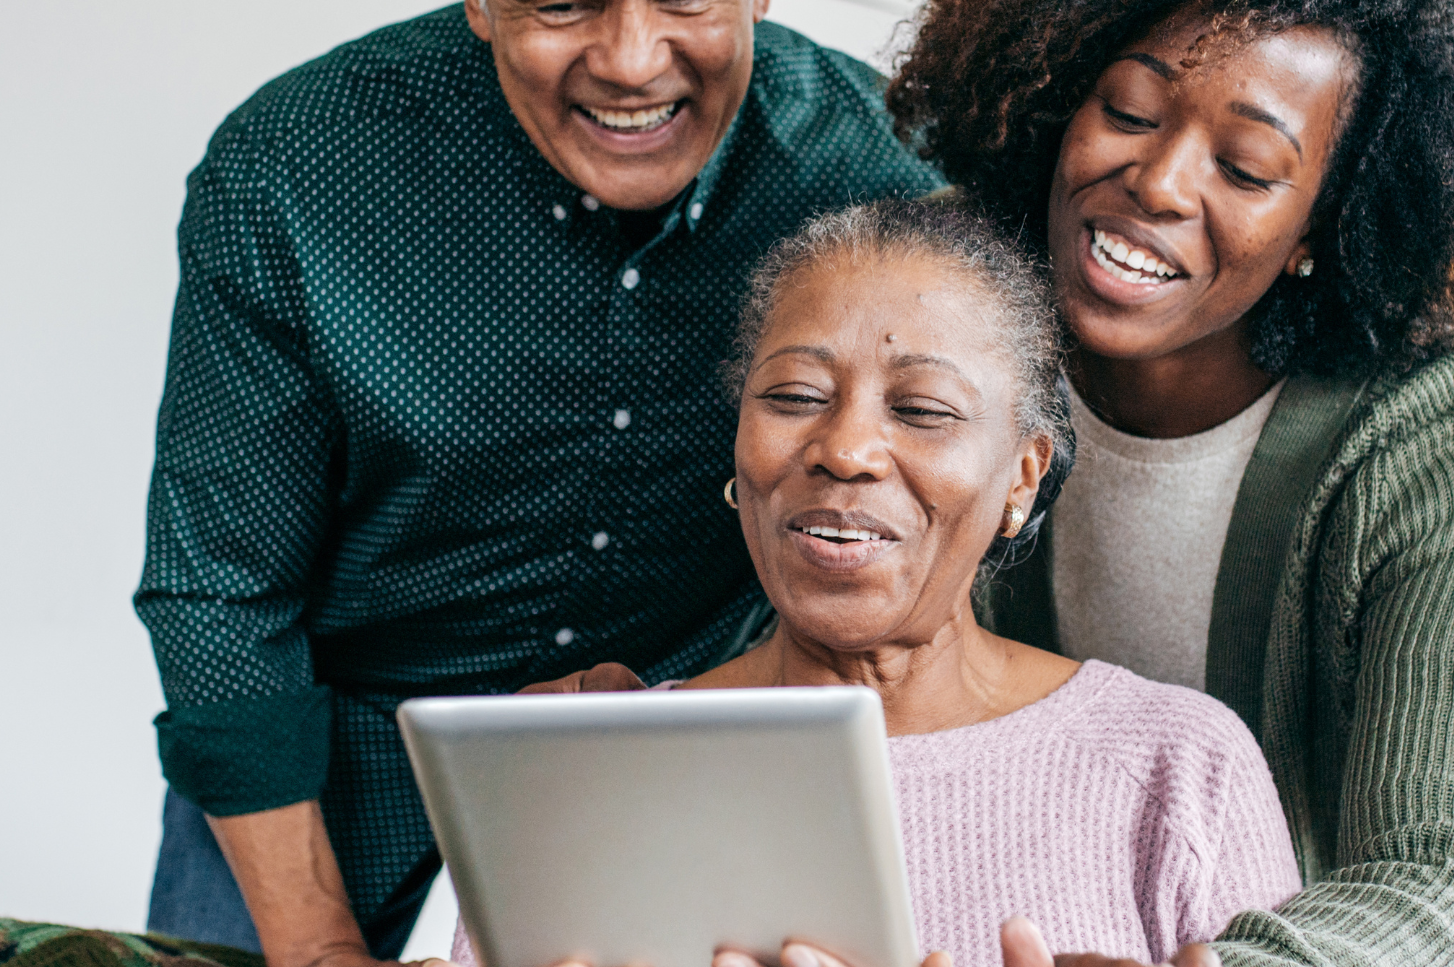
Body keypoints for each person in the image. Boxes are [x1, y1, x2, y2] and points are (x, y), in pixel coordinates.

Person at [133, 0, 936, 966]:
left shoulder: (877, 179)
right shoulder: (287, 174)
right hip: (321, 786)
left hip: (699, 779)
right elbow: (221, 593)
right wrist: (314, 944)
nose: (628, 61)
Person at [884, 0, 1454, 966]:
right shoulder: (948, 332)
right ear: (1056, 99)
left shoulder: (1431, 449)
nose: (1157, 183)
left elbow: (1448, 880)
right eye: (1128, 108)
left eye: (1246, 169)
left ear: (1324, 224)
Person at [452, 200, 1302, 967]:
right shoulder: (582, 776)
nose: (845, 450)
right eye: (793, 396)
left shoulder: (1179, 769)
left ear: (1023, 477)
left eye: (924, 410)